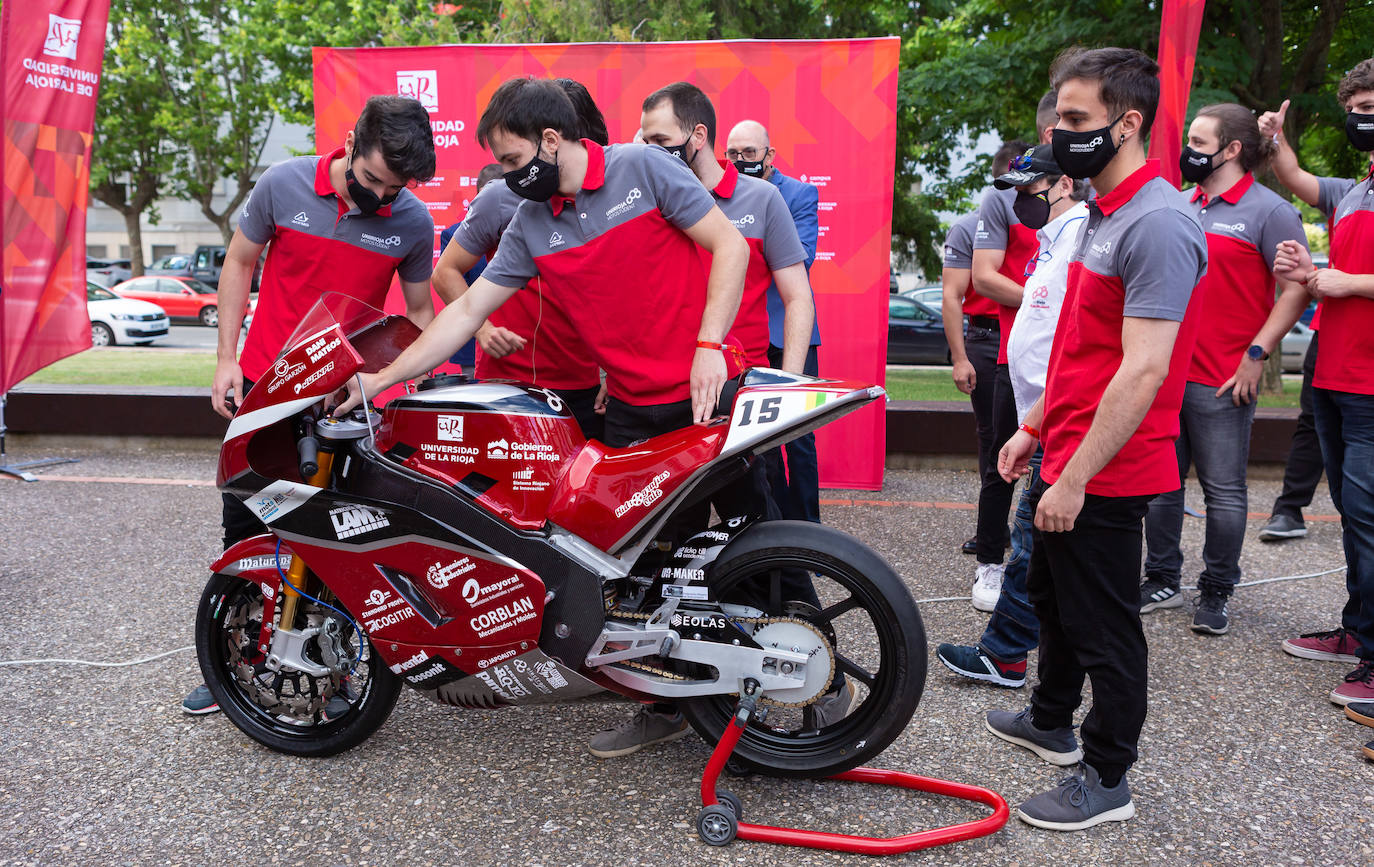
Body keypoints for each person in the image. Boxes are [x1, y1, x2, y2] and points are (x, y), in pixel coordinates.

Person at [590, 83, 845, 759]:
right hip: (654, 400)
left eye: (659, 138)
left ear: (696, 135)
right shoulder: (645, 202)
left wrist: (786, 385)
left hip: (735, 394)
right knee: (655, 551)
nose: (648, 151)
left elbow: (797, 294)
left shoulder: (759, 202)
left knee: (762, 538)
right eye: (641, 139)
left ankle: (823, 676)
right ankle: (660, 699)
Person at [990, 47, 1207, 830]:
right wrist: (1035, 429)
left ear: (1129, 121)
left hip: (1109, 468)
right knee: (1051, 597)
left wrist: (1074, 475)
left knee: (1104, 623)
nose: (1062, 135)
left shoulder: (1159, 223)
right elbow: (1085, 350)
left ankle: (1108, 774)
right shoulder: (1103, 216)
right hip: (1068, 445)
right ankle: (1050, 718)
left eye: (1077, 121)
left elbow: (1144, 371)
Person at [183, 95, 438, 715]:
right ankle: (240, 661)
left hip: (343, 399)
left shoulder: (411, 221)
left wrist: (401, 382)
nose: (384, 196)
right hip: (265, 386)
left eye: (397, 186)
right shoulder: (283, 184)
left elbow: (422, 312)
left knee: (337, 533)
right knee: (247, 523)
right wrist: (225, 360)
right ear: (351, 142)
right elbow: (240, 263)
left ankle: (337, 660)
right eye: (375, 179)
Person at [1139, 103, 1309, 635]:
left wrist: (1256, 354)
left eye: (1198, 139)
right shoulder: (1182, 203)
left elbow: (1297, 287)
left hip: (1223, 379)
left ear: (1232, 149)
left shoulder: (1269, 210)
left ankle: (1216, 589)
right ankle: (1162, 578)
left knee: (1224, 492)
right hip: (1168, 373)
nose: (1188, 149)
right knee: (1162, 485)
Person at [937, 144, 1089, 689]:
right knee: (1044, 544)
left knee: (1035, 539)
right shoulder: (1051, 244)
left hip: (1062, 417)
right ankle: (1026, 655)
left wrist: (1036, 423)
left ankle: (1008, 654)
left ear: (1065, 183)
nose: (1020, 203)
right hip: (1044, 416)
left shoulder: (1080, 241)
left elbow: (1079, 343)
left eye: (1030, 192)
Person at [1268, 59, 1374, 720]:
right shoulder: (1357, 186)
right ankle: (1359, 631)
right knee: (1352, 517)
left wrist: (1340, 281)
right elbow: (1299, 179)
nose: (1364, 114)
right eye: (1358, 104)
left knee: (1370, 520)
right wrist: (1275, 139)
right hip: (1332, 374)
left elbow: (1349, 280)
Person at [430, 79, 610, 439]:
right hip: (506, 383)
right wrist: (482, 329)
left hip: (583, 383)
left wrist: (611, 372)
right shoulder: (502, 197)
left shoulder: (609, 196)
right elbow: (445, 273)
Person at [965, 92, 1060, 605]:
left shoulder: (1087, 201)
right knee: (1001, 464)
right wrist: (1048, 305)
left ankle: (1046, 576)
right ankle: (989, 564)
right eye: (1062, 122)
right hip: (1012, 358)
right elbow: (983, 276)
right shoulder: (1006, 197)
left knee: (1058, 471)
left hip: (1068, 363)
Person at [723, 119, 822, 523]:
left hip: (790, 330)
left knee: (798, 435)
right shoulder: (717, 195)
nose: (741, 160)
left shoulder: (798, 193)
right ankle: (771, 523)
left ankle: (808, 530)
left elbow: (802, 257)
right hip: (744, 333)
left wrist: (746, 249)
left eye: (749, 153)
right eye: (733, 153)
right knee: (756, 436)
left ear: (769, 154)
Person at [947, 138, 1030, 571]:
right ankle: (991, 538)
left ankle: (1021, 532)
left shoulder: (1067, 209)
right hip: (988, 336)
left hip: (1032, 332)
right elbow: (956, 292)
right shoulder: (971, 224)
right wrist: (958, 356)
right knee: (993, 438)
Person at [438, 163, 503, 377]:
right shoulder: (455, 235)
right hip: (472, 340)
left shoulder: (523, 229)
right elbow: (450, 287)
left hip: (519, 337)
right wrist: (480, 328)